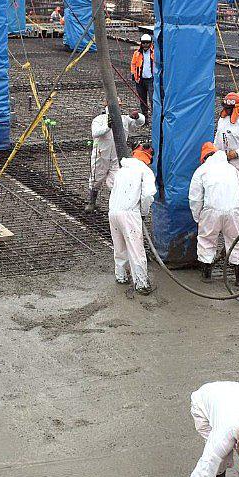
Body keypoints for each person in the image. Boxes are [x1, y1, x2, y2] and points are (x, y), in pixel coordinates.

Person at [189, 142, 239, 283]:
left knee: (206, 240)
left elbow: (195, 198)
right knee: (235, 241)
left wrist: (198, 217)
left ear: (204, 157)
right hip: (233, 209)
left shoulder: (201, 171)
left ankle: (207, 275)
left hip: (211, 210)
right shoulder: (231, 169)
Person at [108, 143, 157, 295]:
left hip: (113, 212)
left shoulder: (122, 170)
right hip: (129, 213)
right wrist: (143, 211)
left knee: (120, 247)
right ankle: (141, 284)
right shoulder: (145, 171)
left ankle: (121, 276)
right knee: (136, 250)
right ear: (148, 158)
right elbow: (148, 195)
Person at [86, 108, 146, 212]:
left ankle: (115, 204)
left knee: (116, 181)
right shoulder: (99, 119)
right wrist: (108, 127)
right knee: (96, 177)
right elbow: (95, 133)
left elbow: (140, 122)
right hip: (101, 154)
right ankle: (92, 202)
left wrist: (137, 116)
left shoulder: (124, 119)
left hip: (116, 155)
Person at [214, 92, 239, 178]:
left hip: (237, 162)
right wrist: (214, 151)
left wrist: (237, 153)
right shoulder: (222, 119)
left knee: (236, 186)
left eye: (229, 109)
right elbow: (218, 137)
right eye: (225, 108)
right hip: (221, 160)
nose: (227, 110)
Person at [129, 32, 154, 115]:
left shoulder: (155, 53)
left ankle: (156, 118)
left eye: (147, 43)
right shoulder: (137, 53)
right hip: (140, 80)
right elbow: (133, 64)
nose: (145, 44)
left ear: (150, 43)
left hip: (151, 80)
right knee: (142, 100)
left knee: (153, 99)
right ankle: (145, 118)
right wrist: (133, 73)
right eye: (143, 43)